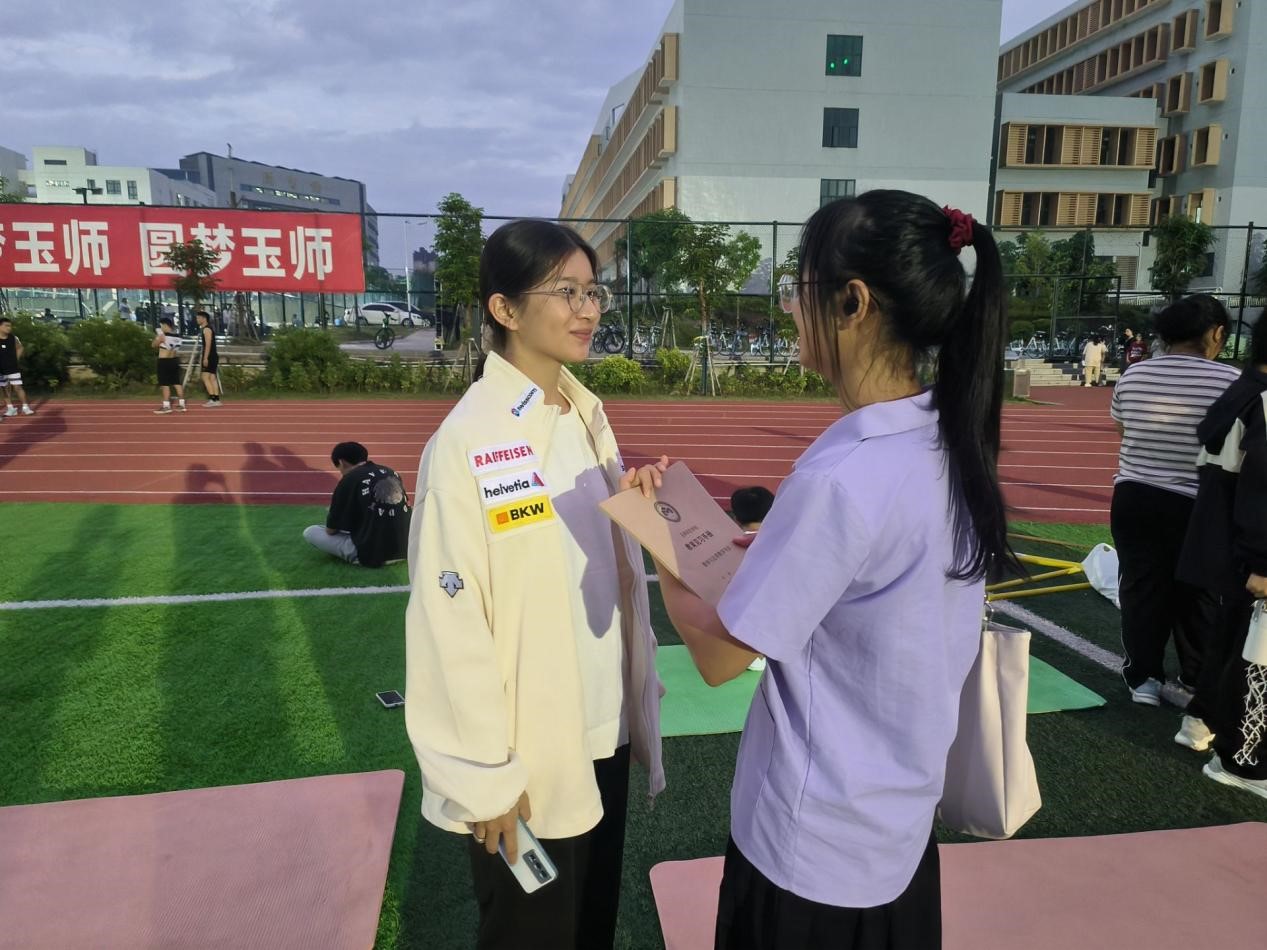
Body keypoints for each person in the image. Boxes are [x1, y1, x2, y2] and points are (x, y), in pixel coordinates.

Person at [631, 192, 1014, 949]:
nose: (787, 309)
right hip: (896, 831)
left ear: (852, 303)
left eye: (797, 289)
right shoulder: (946, 441)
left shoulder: (843, 475)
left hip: (812, 851)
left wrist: (662, 540)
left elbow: (718, 657)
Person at [403, 220, 664, 950]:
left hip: (600, 728)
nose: (587, 310)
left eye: (593, 292)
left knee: (588, 928)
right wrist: (484, 776)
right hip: (525, 756)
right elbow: (450, 620)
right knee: (532, 936)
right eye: (565, 292)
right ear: (505, 309)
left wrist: (631, 503)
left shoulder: (581, 415)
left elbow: (576, 562)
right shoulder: (471, 439)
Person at [1111, 295, 1241, 706]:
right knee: (1199, 594)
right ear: (1216, 334)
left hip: (1135, 496)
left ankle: (1143, 679)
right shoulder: (1231, 382)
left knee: (1141, 588)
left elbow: (1122, 429)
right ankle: (1193, 679)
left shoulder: (1133, 375)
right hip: (1198, 502)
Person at [1174, 315, 1267, 795]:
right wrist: (1261, 561)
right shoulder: (1260, 398)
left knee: (1231, 639)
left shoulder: (1244, 389)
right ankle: (1239, 759)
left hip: (1224, 538)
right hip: (1244, 546)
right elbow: (1260, 489)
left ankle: (1201, 719)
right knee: (1251, 657)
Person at [303, 442, 409, 566]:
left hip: (371, 553)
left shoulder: (348, 479)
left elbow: (331, 531)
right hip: (405, 548)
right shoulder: (391, 472)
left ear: (341, 462)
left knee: (311, 532)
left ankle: (358, 555)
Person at [0, 317, 35, 416]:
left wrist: (16, 359)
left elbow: (20, 348)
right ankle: (10, 408)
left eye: (10, 326)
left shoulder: (13, 338)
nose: (9, 328)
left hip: (12, 368)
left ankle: (25, 407)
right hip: (1, 369)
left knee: (17, 387)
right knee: (4, 388)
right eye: (6, 326)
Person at [151, 316, 187, 414]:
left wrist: (158, 338)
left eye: (161, 325)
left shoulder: (163, 336)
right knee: (177, 382)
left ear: (165, 325)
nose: (161, 327)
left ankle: (166, 406)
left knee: (165, 384)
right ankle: (182, 404)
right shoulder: (178, 336)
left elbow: (153, 345)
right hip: (174, 360)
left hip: (164, 361)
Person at [194, 310, 223, 407]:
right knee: (212, 377)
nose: (197, 320)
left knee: (205, 377)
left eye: (198, 318)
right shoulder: (207, 329)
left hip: (210, 356)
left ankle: (212, 399)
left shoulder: (206, 329)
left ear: (204, 319)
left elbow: (208, 344)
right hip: (213, 355)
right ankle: (216, 399)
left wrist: (205, 358)